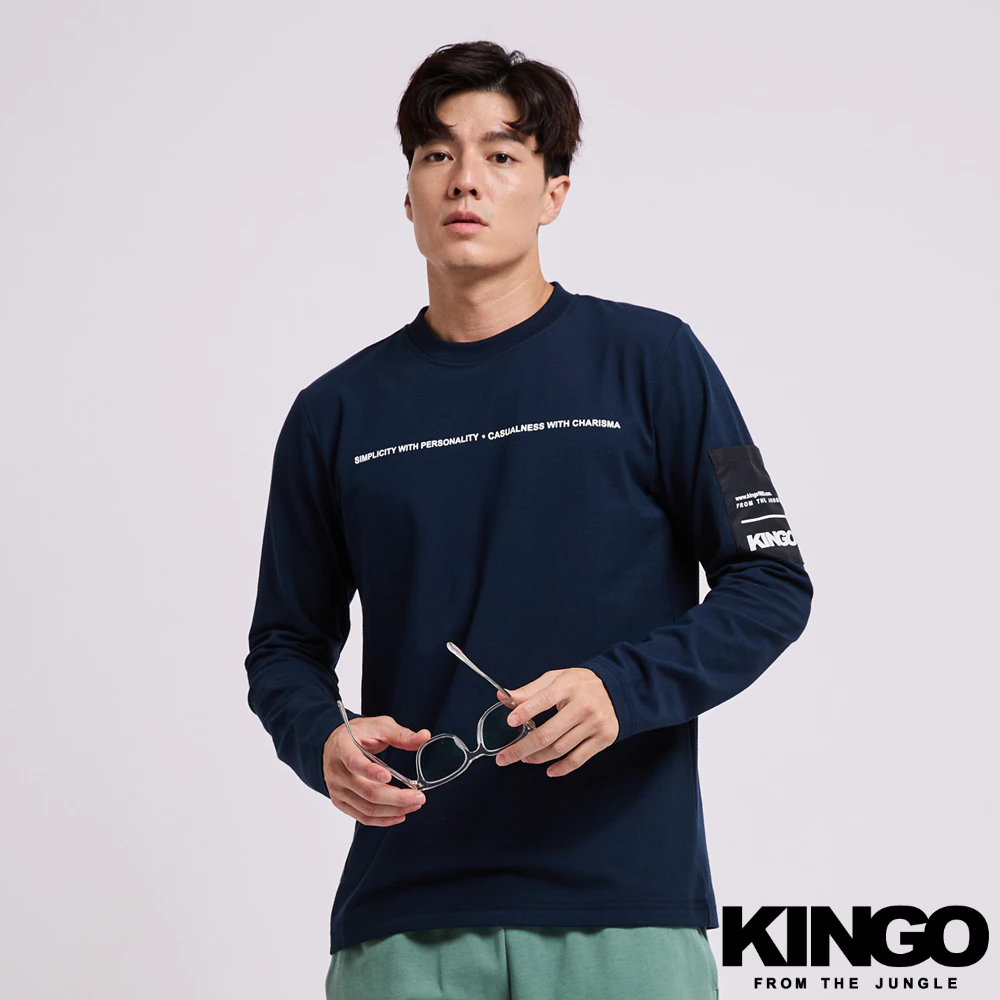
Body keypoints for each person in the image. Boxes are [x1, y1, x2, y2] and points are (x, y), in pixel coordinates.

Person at [244, 39, 812, 1000]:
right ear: (409, 194)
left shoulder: (657, 360)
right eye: (437, 153)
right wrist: (320, 740)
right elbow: (285, 645)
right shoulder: (333, 413)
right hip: (404, 915)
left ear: (553, 192)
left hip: (624, 911)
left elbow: (771, 582)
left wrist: (621, 689)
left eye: (502, 154)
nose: (465, 178)